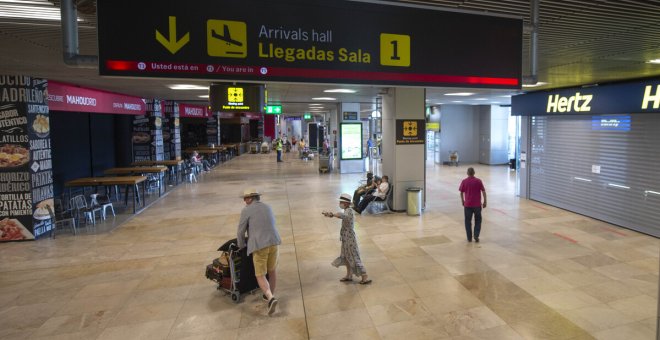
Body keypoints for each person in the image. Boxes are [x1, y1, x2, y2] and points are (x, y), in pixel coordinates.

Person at [237, 188, 282, 315]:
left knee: (260, 274)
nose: (244, 201)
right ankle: (269, 294)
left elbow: (240, 231)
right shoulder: (268, 207)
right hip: (274, 241)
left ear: (251, 198)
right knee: (272, 270)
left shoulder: (246, 210)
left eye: (246, 198)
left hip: (259, 245)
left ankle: (270, 297)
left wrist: (241, 245)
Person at [322, 193, 371, 284]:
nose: (340, 203)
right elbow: (342, 216)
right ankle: (349, 275)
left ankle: (364, 276)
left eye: (341, 202)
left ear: (347, 203)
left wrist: (332, 214)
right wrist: (331, 215)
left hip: (349, 239)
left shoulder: (349, 211)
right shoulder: (347, 210)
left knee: (353, 255)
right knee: (345, 256)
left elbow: (342, 216)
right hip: (345, 238)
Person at [459, 167, 487, 243]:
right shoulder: (478, 181)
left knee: (467, 221)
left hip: (467, 205)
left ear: (467, 173)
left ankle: (469, 238)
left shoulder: (464, 181)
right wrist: (485, 202)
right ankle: (476, 235)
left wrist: (462, 201)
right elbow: (483, 191)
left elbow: (461, 192)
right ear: (474, 173)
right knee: (478, 220)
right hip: (477, 205)